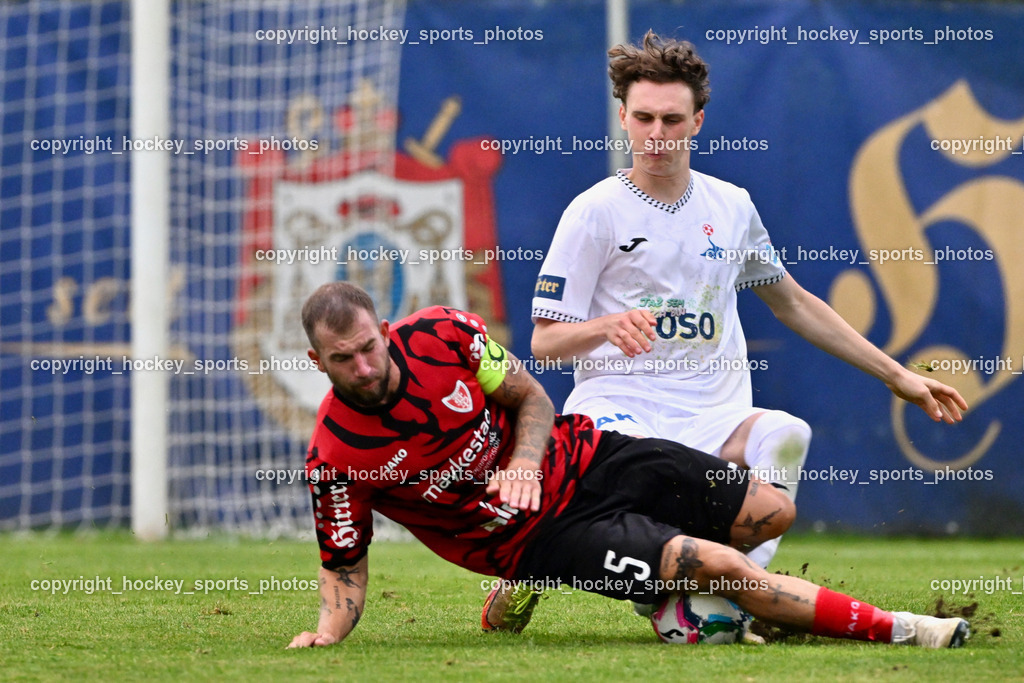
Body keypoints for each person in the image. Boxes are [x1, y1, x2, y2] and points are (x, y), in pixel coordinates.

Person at [286, 281, 969, 650]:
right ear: (318, 363)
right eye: (344, 359)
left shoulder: (445, 333)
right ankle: (907, 627)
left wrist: (524, 460)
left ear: (384, 326)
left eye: (370, 346)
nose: (366, 366)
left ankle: (673, 592)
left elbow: (529, 395)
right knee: (726, 565)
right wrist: (326, 632)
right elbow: (343, 563)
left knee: (772, 510)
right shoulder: (335, 457)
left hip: (585, 455)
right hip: (535, 539)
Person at [527, 30, 968, 572]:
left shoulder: (732, 207)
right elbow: (544, 343)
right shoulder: (593, 212)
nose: (657, 134)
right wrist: (606, 326)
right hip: (623, 411)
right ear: (623, 117)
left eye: (671, 120)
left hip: (714, 413)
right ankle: (544, 553)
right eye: (644, 119)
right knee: (628, 501)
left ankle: (739, 590)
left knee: (787, 433)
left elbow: (794, 304)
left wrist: (896, 375)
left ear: (697, 123)